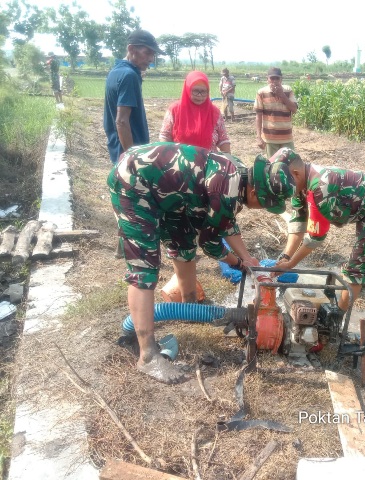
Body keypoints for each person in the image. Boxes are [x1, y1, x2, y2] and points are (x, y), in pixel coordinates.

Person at [108, 142, 295, 383]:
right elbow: (210, 244)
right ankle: (148, 356)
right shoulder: (227, 191)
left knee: (183, 240)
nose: (262, 209)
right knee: (144, 269)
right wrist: (238, 264)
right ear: (255, 193)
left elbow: (226, 222)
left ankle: (189, 305)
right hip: (134, 183)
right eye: (265, 203)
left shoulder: (238, 173)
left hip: (168, 191)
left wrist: (247, 258)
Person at [272, 148, 365, 313]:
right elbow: (298, 222)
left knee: (356, 267)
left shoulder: (320, 188)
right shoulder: (300, 184)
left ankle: (337, 321)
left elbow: (315, 238)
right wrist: (286, 257)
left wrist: (291, 264)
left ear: (295, 174)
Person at [104, 29, 165, 165]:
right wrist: (132, 158)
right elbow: (121, 121)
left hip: (117, 149)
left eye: (153, 54)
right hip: (130, 153)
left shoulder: (116, 71)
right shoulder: (129, 76)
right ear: (131, 49)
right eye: (147, 52)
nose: (151, 59)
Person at [159, 71, 231, 154]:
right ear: (187, 89)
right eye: (195, 91)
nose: (199, 95)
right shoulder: (175, 110)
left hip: (208, 163)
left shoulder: (214, 112)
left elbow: (223, 139)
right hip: (180, 162)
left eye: (203, 91)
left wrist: (228, 162)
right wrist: (167, 157)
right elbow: (165, 135)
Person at [255, 67, 298, 157]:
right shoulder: (261, 93)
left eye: (277, 78)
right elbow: (258, 116)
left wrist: (282, 95)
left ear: (281, 79)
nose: (274, 81)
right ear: (268, 79)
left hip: (286, 138)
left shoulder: (288, 90)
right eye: (272, 78)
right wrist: (259, 137)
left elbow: (294, 109)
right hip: (270, 138)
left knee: (289, 165)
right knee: (273, 167)